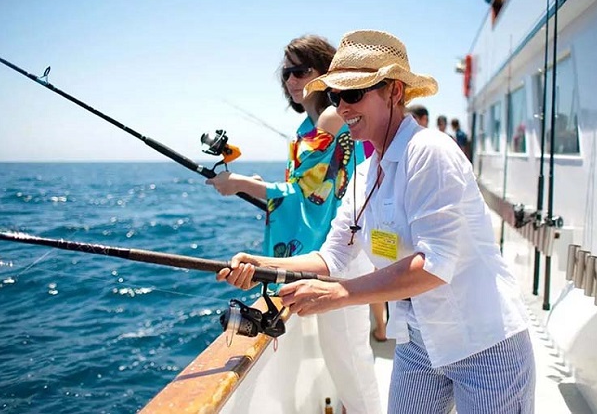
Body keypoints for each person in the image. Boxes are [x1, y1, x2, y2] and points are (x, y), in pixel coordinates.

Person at [216, 29, 536, 414]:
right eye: (336, 96)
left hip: (484, 341)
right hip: (420, 340)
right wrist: (262, 264)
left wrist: (340, 294)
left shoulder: (430, 152)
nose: (343, 107)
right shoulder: (366, 173)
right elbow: (331, 258)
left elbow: (434, 265)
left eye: (354, 94)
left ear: (394, 92)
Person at [206, 34, 382, 414]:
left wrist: (240, 183)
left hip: (343, 257)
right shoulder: (307, 127)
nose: (291, 80)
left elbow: (306, 186)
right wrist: (244, 183)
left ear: (325, 72)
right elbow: (304, 188)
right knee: (342, 358)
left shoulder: (334, 116)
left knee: (350, 360)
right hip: (326, 255)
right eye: (286, 73)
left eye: (301, 70)